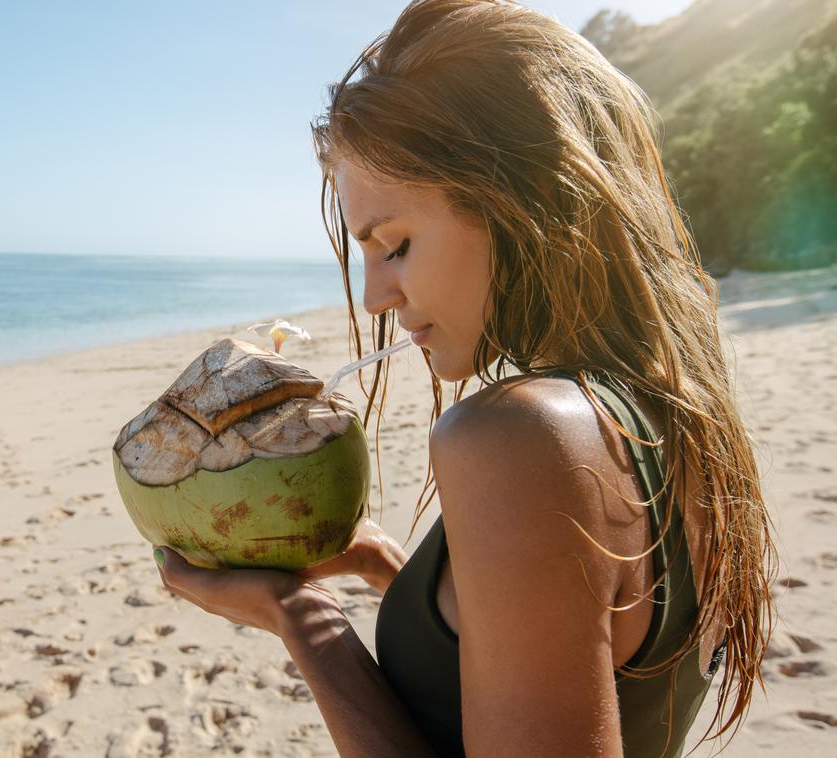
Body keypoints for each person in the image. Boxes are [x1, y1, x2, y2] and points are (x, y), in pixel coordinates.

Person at [150, 1, 777, 755]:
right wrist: (391, 569)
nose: (377, 296)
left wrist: (302, 623)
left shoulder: (520, 436)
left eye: (397, 243)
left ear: (520, 198)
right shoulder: (673, 408)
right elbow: (575, 641)